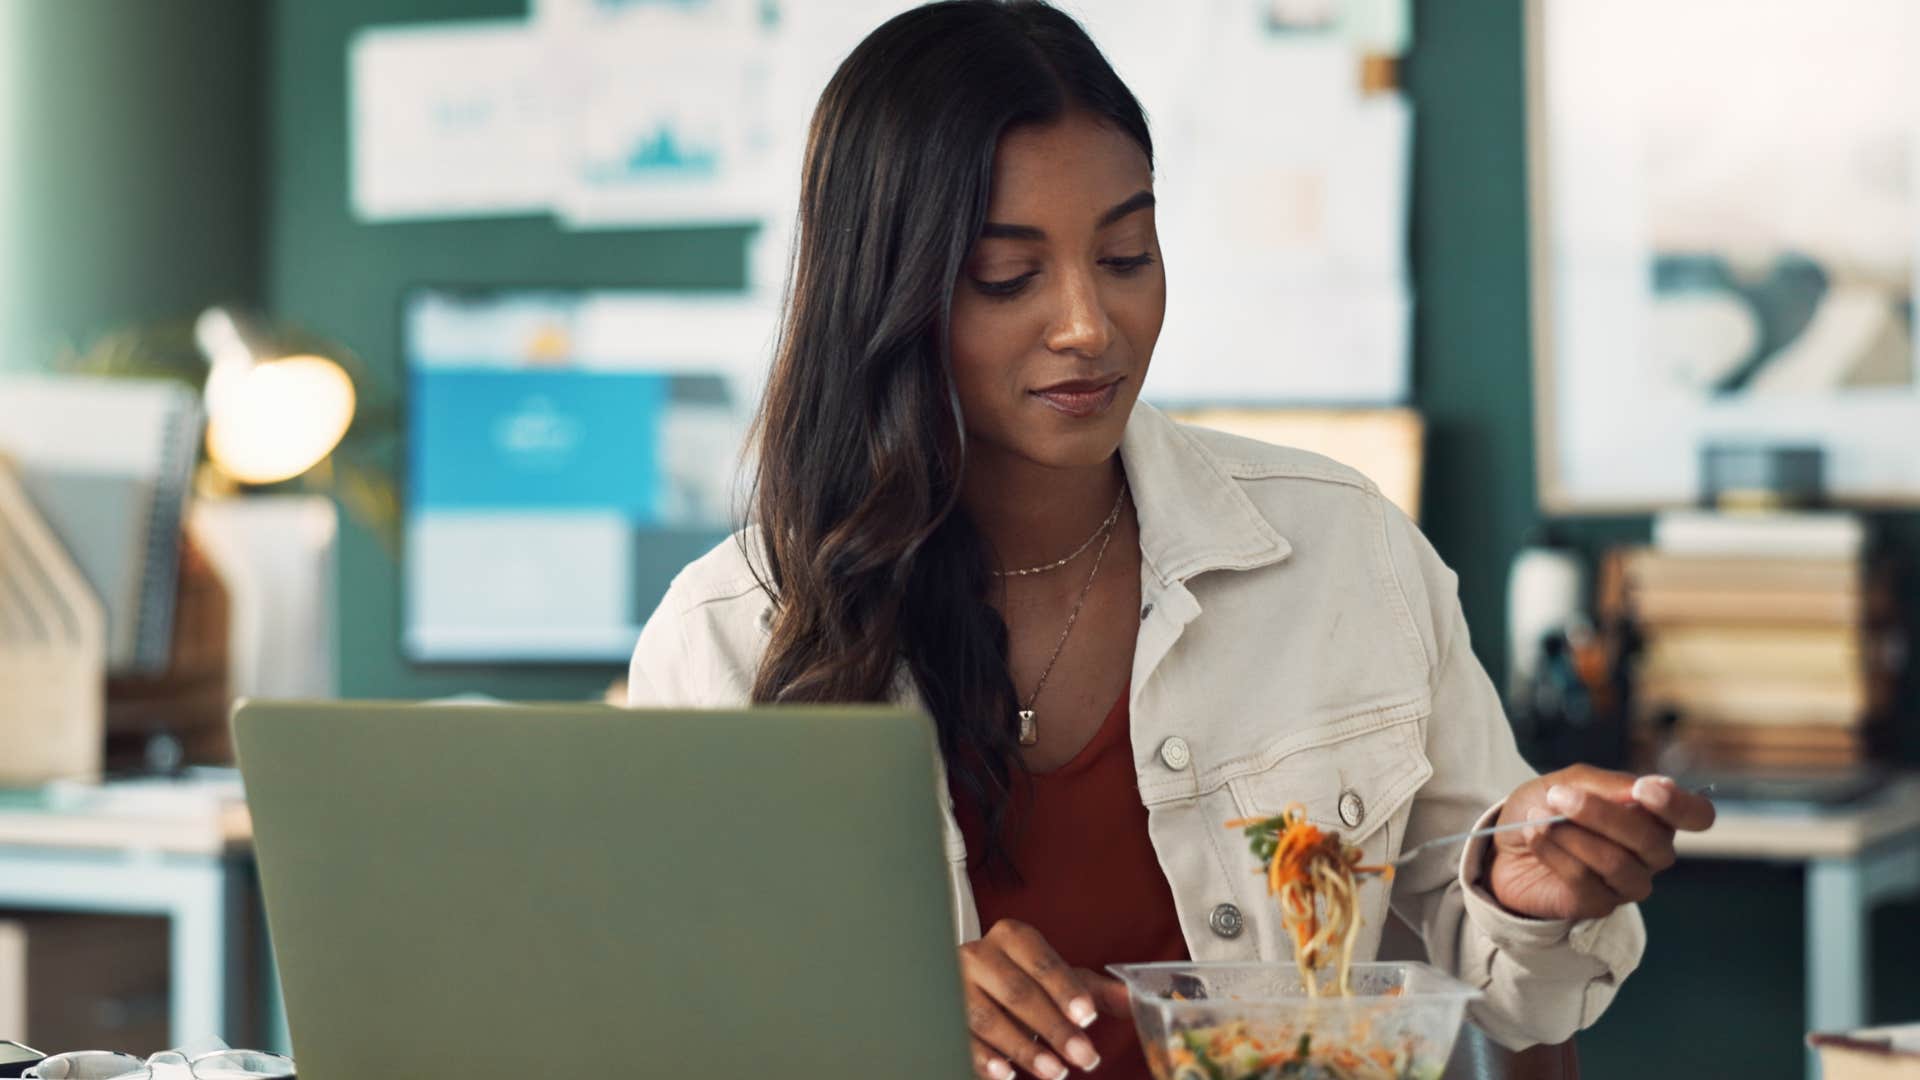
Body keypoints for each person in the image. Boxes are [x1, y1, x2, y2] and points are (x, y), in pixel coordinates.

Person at [628, 4, 1715, 1078]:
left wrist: (1517, 897)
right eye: (1009, 278)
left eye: (1126, 254)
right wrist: (883, 1007)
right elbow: (674, 1019)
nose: (1088, 326)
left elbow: (1506, 993)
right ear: (887, 294)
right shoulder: (730, 639)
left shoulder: (1345, 551)